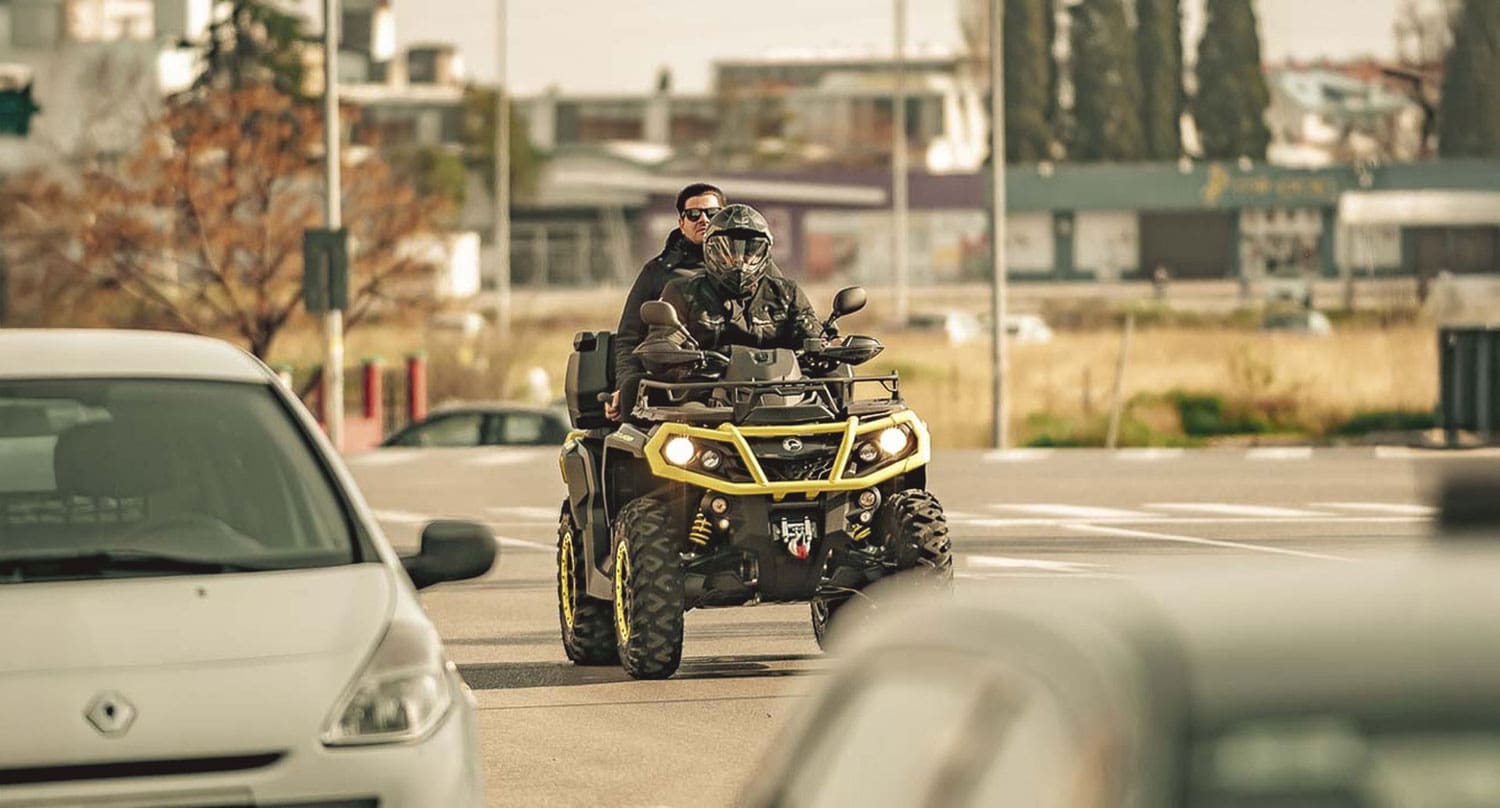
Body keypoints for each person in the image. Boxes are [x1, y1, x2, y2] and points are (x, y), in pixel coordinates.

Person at [605, 183, 725, 421]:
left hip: (751, 385)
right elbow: (630, 338)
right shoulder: (659, 272)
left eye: (713, 213)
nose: (703, 219)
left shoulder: (755, 266)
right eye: (694, 214)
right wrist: (624, 387)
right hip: (682, 388)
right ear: (681, 223)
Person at [657, 204, 822, 356]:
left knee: (834, 374)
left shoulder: (787, 293)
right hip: (707, 383)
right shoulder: (683, 292)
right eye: (728, 251)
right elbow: (664, 340)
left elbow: (811, 334)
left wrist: (822, 345)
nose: (739, 260)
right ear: (709, 250)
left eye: (749, 251)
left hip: (779, 383)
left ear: (765, 252)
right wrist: (670, 352)